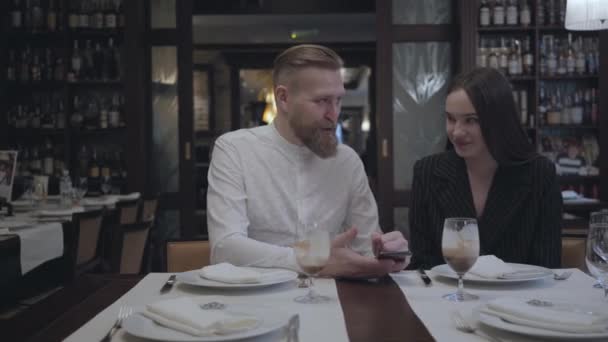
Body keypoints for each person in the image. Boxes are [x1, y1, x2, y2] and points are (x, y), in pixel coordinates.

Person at [207, 44, 408, 278]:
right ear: (283, 98)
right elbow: (225, 249)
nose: (334, 115)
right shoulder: (235, 150)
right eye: (322, 101)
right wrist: (310, 258)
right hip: (254, 300)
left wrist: (391, 255)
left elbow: (366, 249)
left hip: (330, 303)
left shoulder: (347, 161)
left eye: (338, 100)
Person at [408, 67, 562, 270]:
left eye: (471, 120)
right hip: (447, 298)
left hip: (519, 299)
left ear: (500, 121)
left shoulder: (540, 174)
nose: (457, 132)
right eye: (451, 119)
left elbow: (548, 267)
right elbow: (421, 264)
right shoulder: (427, 172)